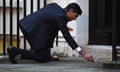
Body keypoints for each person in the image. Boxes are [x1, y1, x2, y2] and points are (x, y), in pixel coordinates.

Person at [7, 3, 94, 64]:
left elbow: (47, 17)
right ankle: (14, 51)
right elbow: (67, 36)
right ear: (70, 11)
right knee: (42, 58)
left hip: (29, 24)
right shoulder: (60, 17)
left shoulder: (55, 6)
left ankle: (27, 54)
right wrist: (83, 53)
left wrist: (62, 26)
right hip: (31, 28)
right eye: (75, 16)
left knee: (45, 54)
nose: (75, 19)